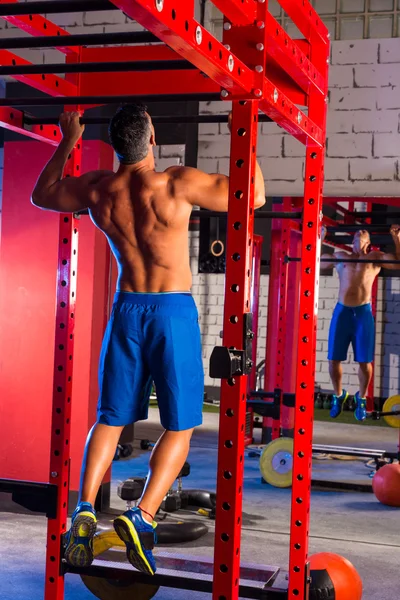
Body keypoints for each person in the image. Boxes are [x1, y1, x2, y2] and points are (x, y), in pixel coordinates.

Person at [31, 105, 266, 575]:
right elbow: (254, 194)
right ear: (152, 137)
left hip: (127, 309)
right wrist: (249, 129)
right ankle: (143, 517)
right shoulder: (175, 183)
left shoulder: (99, 188)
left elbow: (43, 194)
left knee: (111, 419)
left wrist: (70, 138)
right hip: (171, 311)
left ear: (116, 145)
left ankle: (83, 512)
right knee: (179, 424)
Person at [320, 224, 400, 422]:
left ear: (369, 242)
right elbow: (316, 263)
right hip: (342, 312)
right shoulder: (341, 257)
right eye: (356, 232)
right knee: (333, 360)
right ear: (352, 240)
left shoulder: (375, 258)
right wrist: (319, 238)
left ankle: (361, 399)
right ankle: (339, 396)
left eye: (364, 232)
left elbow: (398, 264)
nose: (359, 232)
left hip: (363, 313)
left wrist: (397, 238)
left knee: (364, 362)